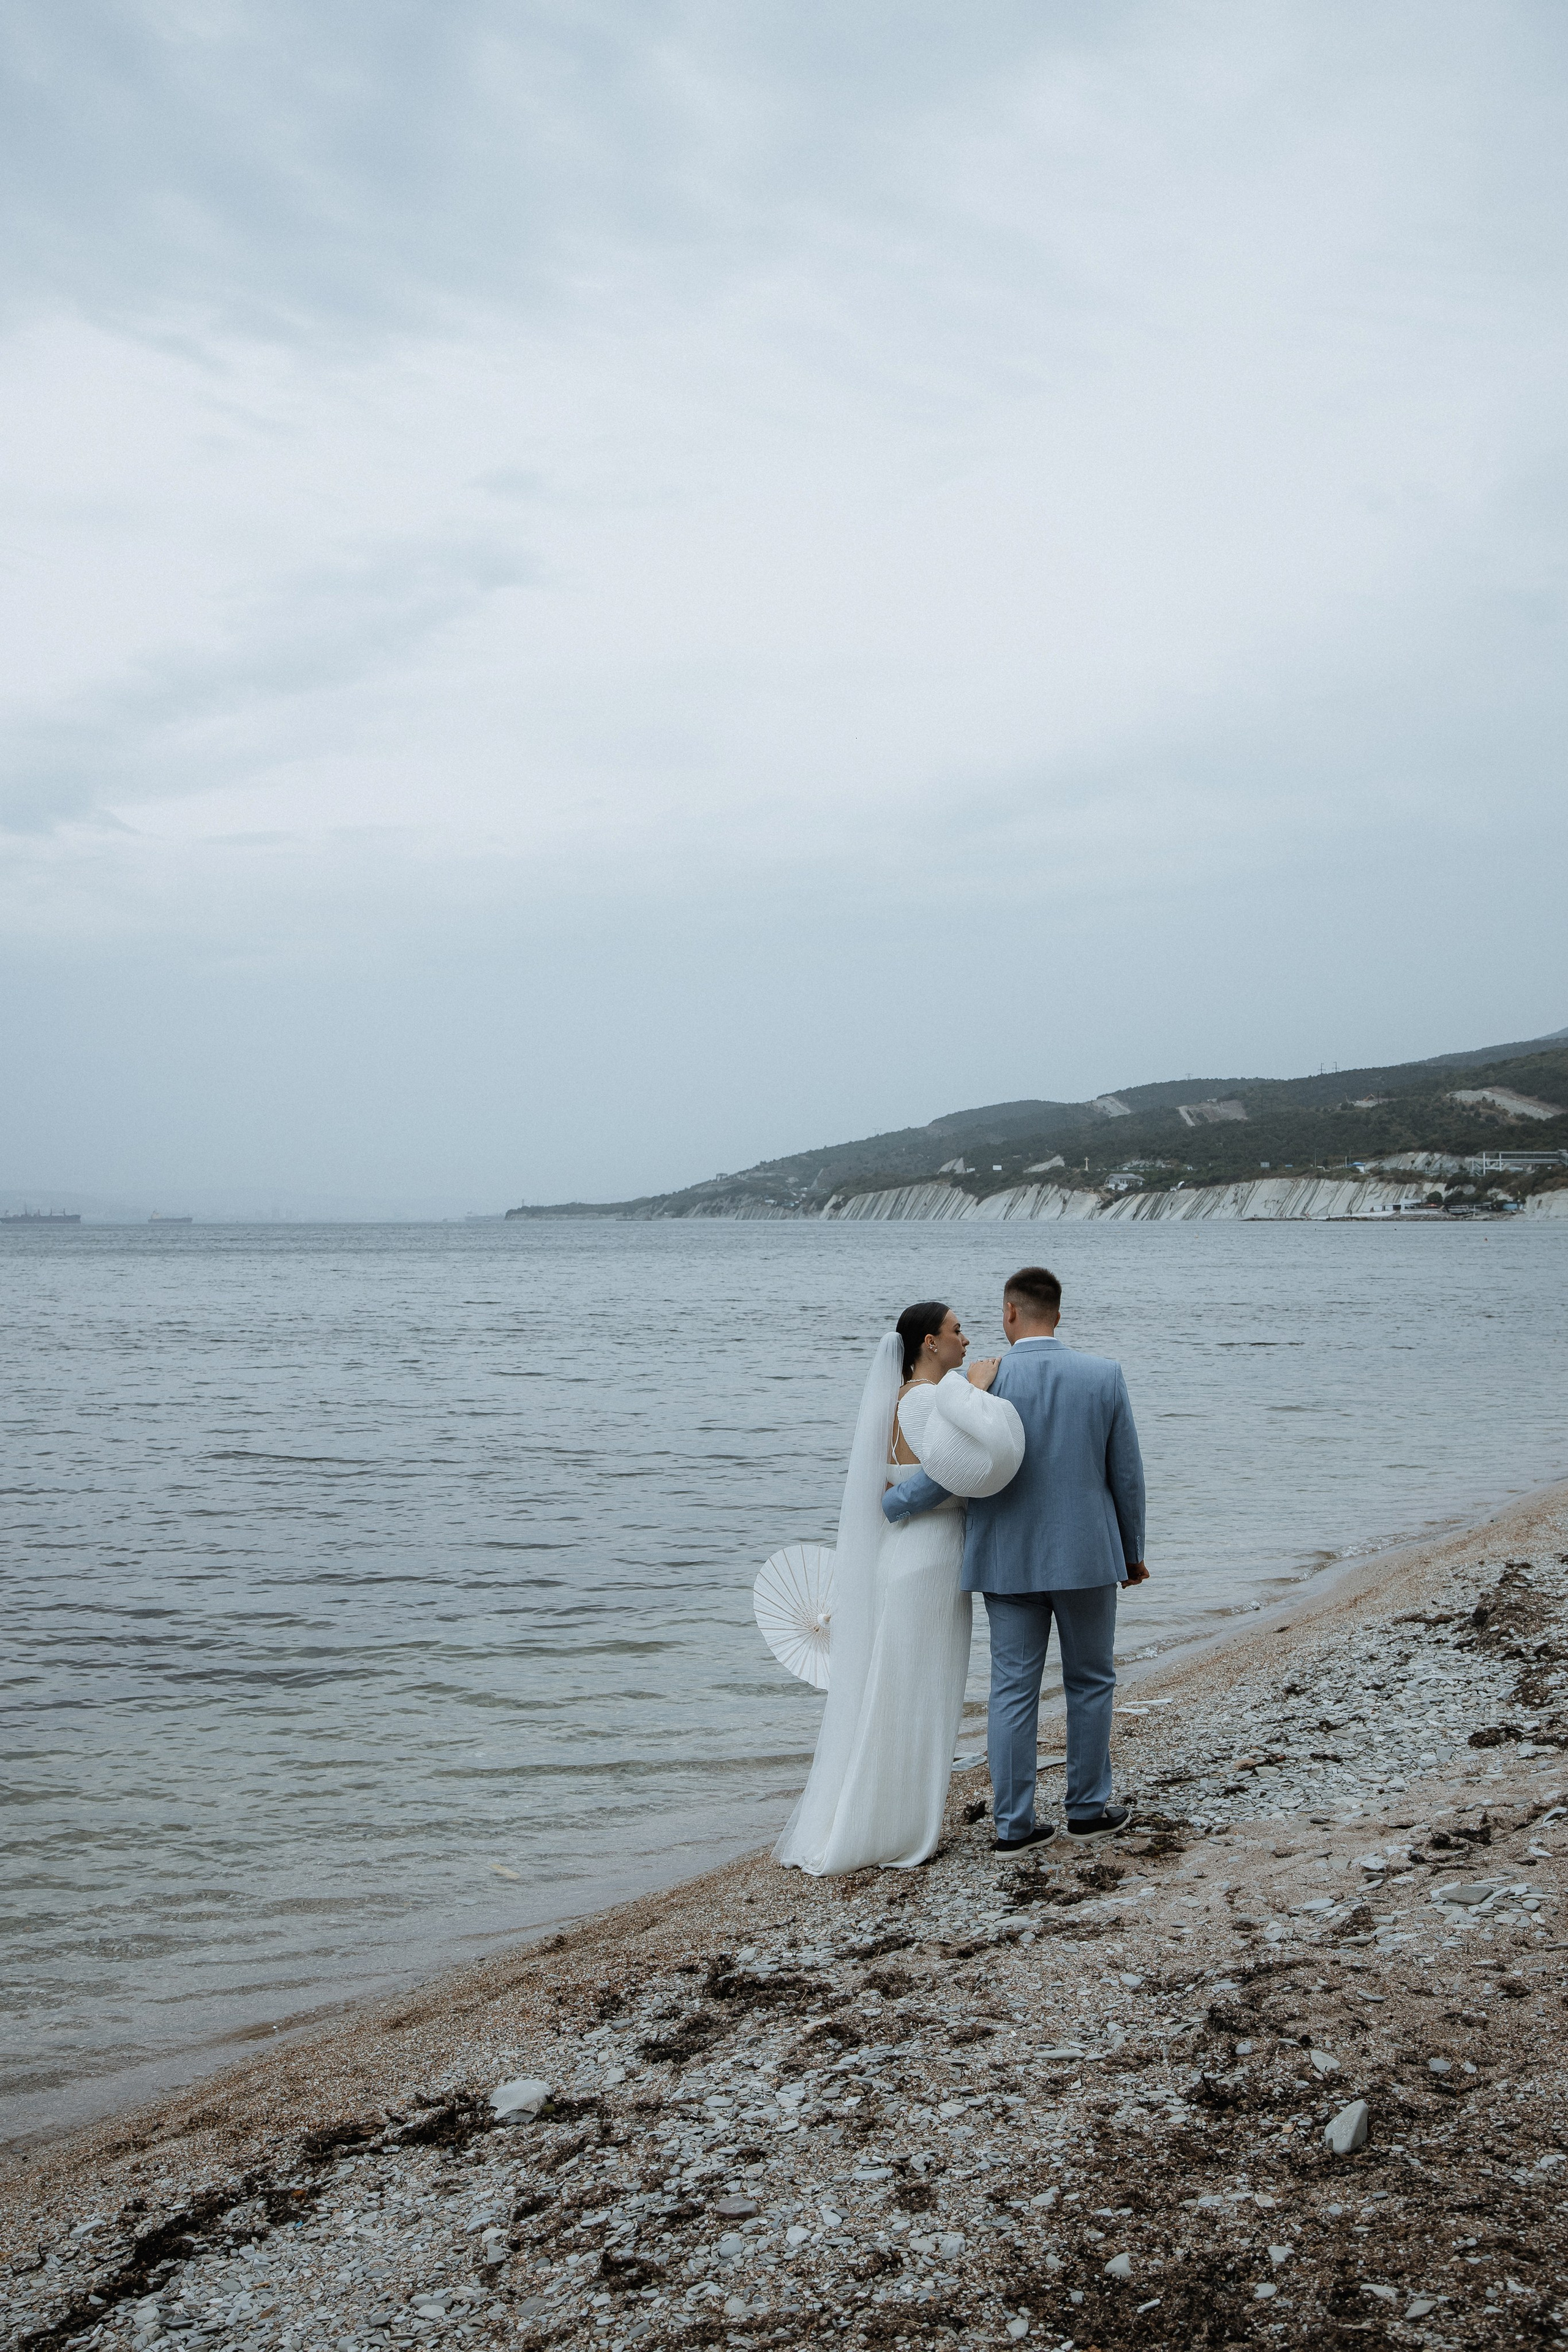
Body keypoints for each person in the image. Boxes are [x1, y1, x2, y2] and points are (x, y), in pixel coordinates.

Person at [882, 1265, 1147, 1853]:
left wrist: (894, 1502)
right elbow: (1126, 1476)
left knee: (1012, 1689)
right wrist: (1132, 1553)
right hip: (1087, 1556)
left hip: (1006, 1557)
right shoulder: (1104, 1375)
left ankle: (1013, 1826)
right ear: (1057, 1313)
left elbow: (949, 1468)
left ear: (1009, 1313)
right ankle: (1086, 1809)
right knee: (1091, 1681)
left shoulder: (980, 1381)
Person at [773, 1302, 1023, 1875]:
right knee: (919, 1693)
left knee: (904, 1688)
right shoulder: (926, 1399)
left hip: (910, 1556)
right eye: (957, 1330)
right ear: (930, 1343)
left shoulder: (902, 1401)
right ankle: (900, 1826)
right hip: (929, 1559)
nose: (967, 1338)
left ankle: (894, 1815)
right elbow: (954, 1470)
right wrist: (979, 1391)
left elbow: (907, 1481)